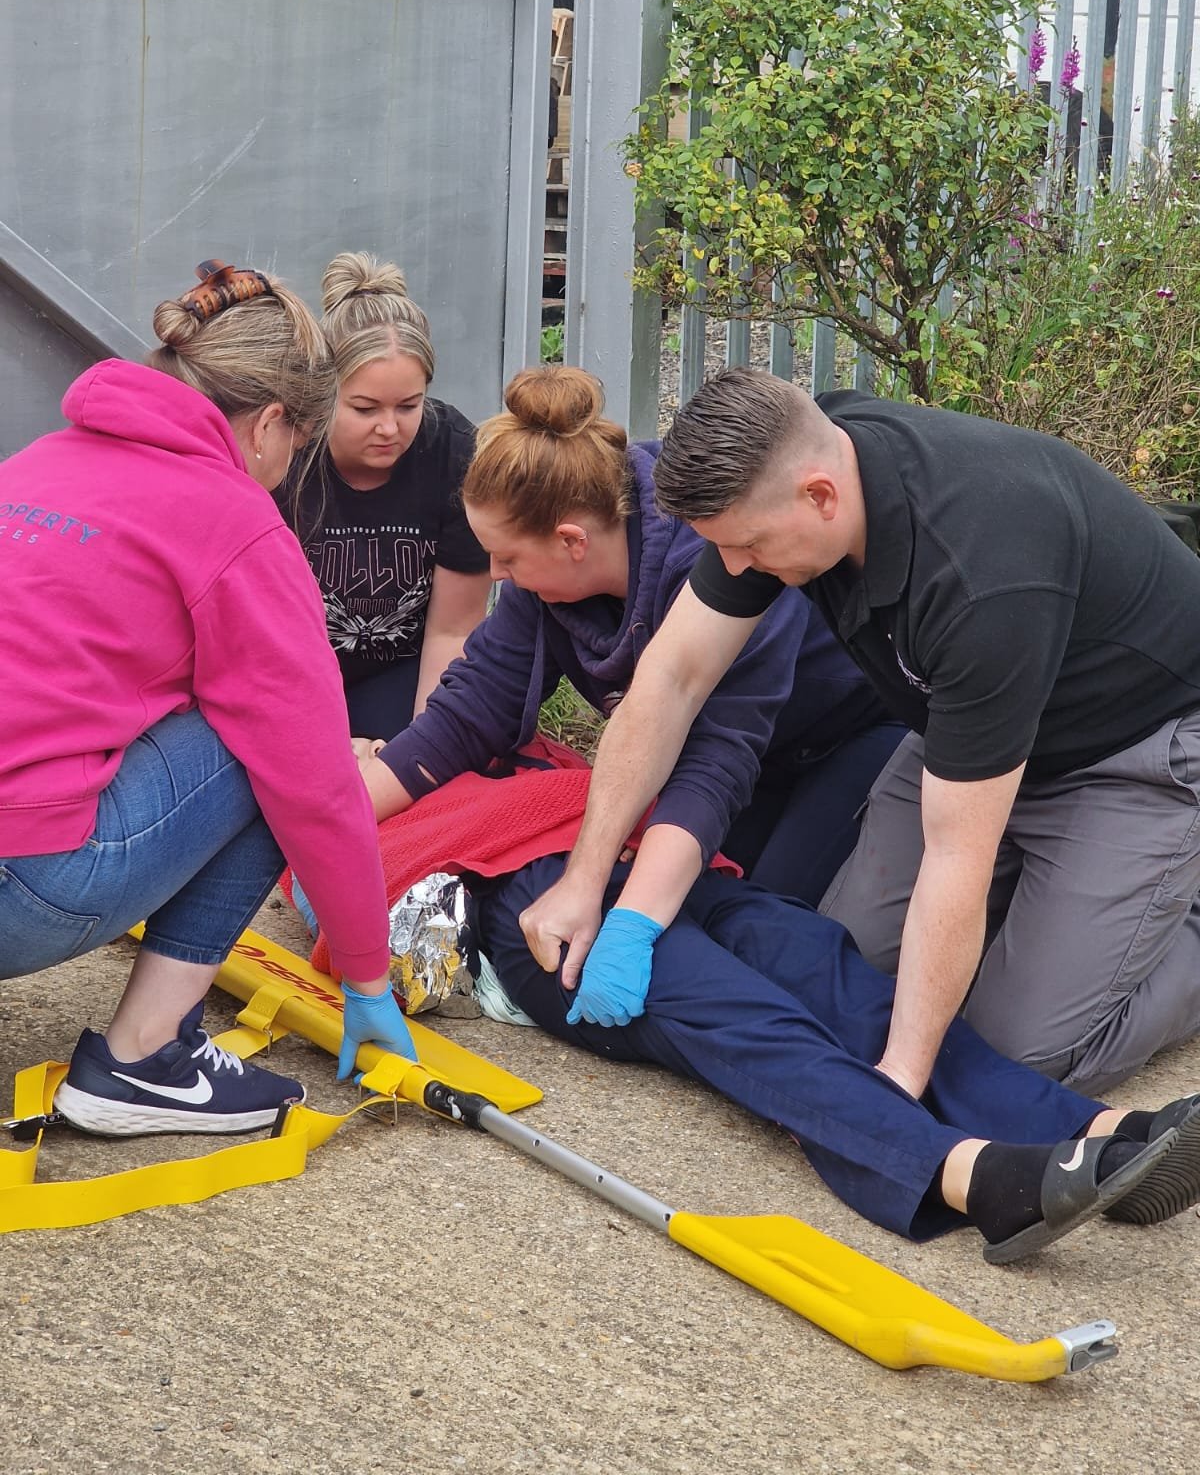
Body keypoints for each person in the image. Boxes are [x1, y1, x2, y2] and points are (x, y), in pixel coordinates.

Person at [520, 366, 1200, 1099]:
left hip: (1131, 752)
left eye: (747, 546)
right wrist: (585, 883)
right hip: (963, 731)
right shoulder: (792, 466)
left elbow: (956, 852)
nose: (738, 568)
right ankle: (1082, 923)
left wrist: (900, 1079)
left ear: (821, 496)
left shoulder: (982, 576)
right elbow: (670, 680)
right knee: (841, 973)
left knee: (1013, 1058)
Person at [336, 756, 1200, 1262]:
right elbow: (340, 881)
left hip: (656, 865)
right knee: (743, 1017)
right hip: (524, 901)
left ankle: (1101, 1134)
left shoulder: (485, 737)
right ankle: (974, 1177)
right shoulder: (342, 802)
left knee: (833, 973)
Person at [0, 259, 416, 1138]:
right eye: (298, 444)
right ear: (269, 423)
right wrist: (367, 975)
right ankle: (145, 1057)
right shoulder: (236, 522)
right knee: (272, 746)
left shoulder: (35, 462)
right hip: (21, 886)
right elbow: (312, 783)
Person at [357, 365, 907, 966]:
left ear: (572, 541)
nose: (496, 575)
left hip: (845, 733)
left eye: (507, 557)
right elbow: (468, 713)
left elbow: (717, 751)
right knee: (701, 902)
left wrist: (632, 922)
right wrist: (343, 814)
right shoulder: (544, 584)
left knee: (764, 917)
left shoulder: (712, 554)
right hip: (750, 753)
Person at [279, 252, 491, 737]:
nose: (389, 428)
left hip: (406, 671)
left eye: (409, 405)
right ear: (323, 392)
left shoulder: (454, 453)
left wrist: (423, 751)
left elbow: (453, 631)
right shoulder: (286, 455)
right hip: (298, 675)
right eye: (364, 407)